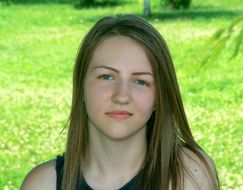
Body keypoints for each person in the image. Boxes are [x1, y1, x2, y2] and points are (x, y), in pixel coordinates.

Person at [21, 15, 219, 190]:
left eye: (141, 81)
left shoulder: (188, 174)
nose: (122, 96)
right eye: (106, 77)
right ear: (81, 88)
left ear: (159, 97)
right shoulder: (41, 184)